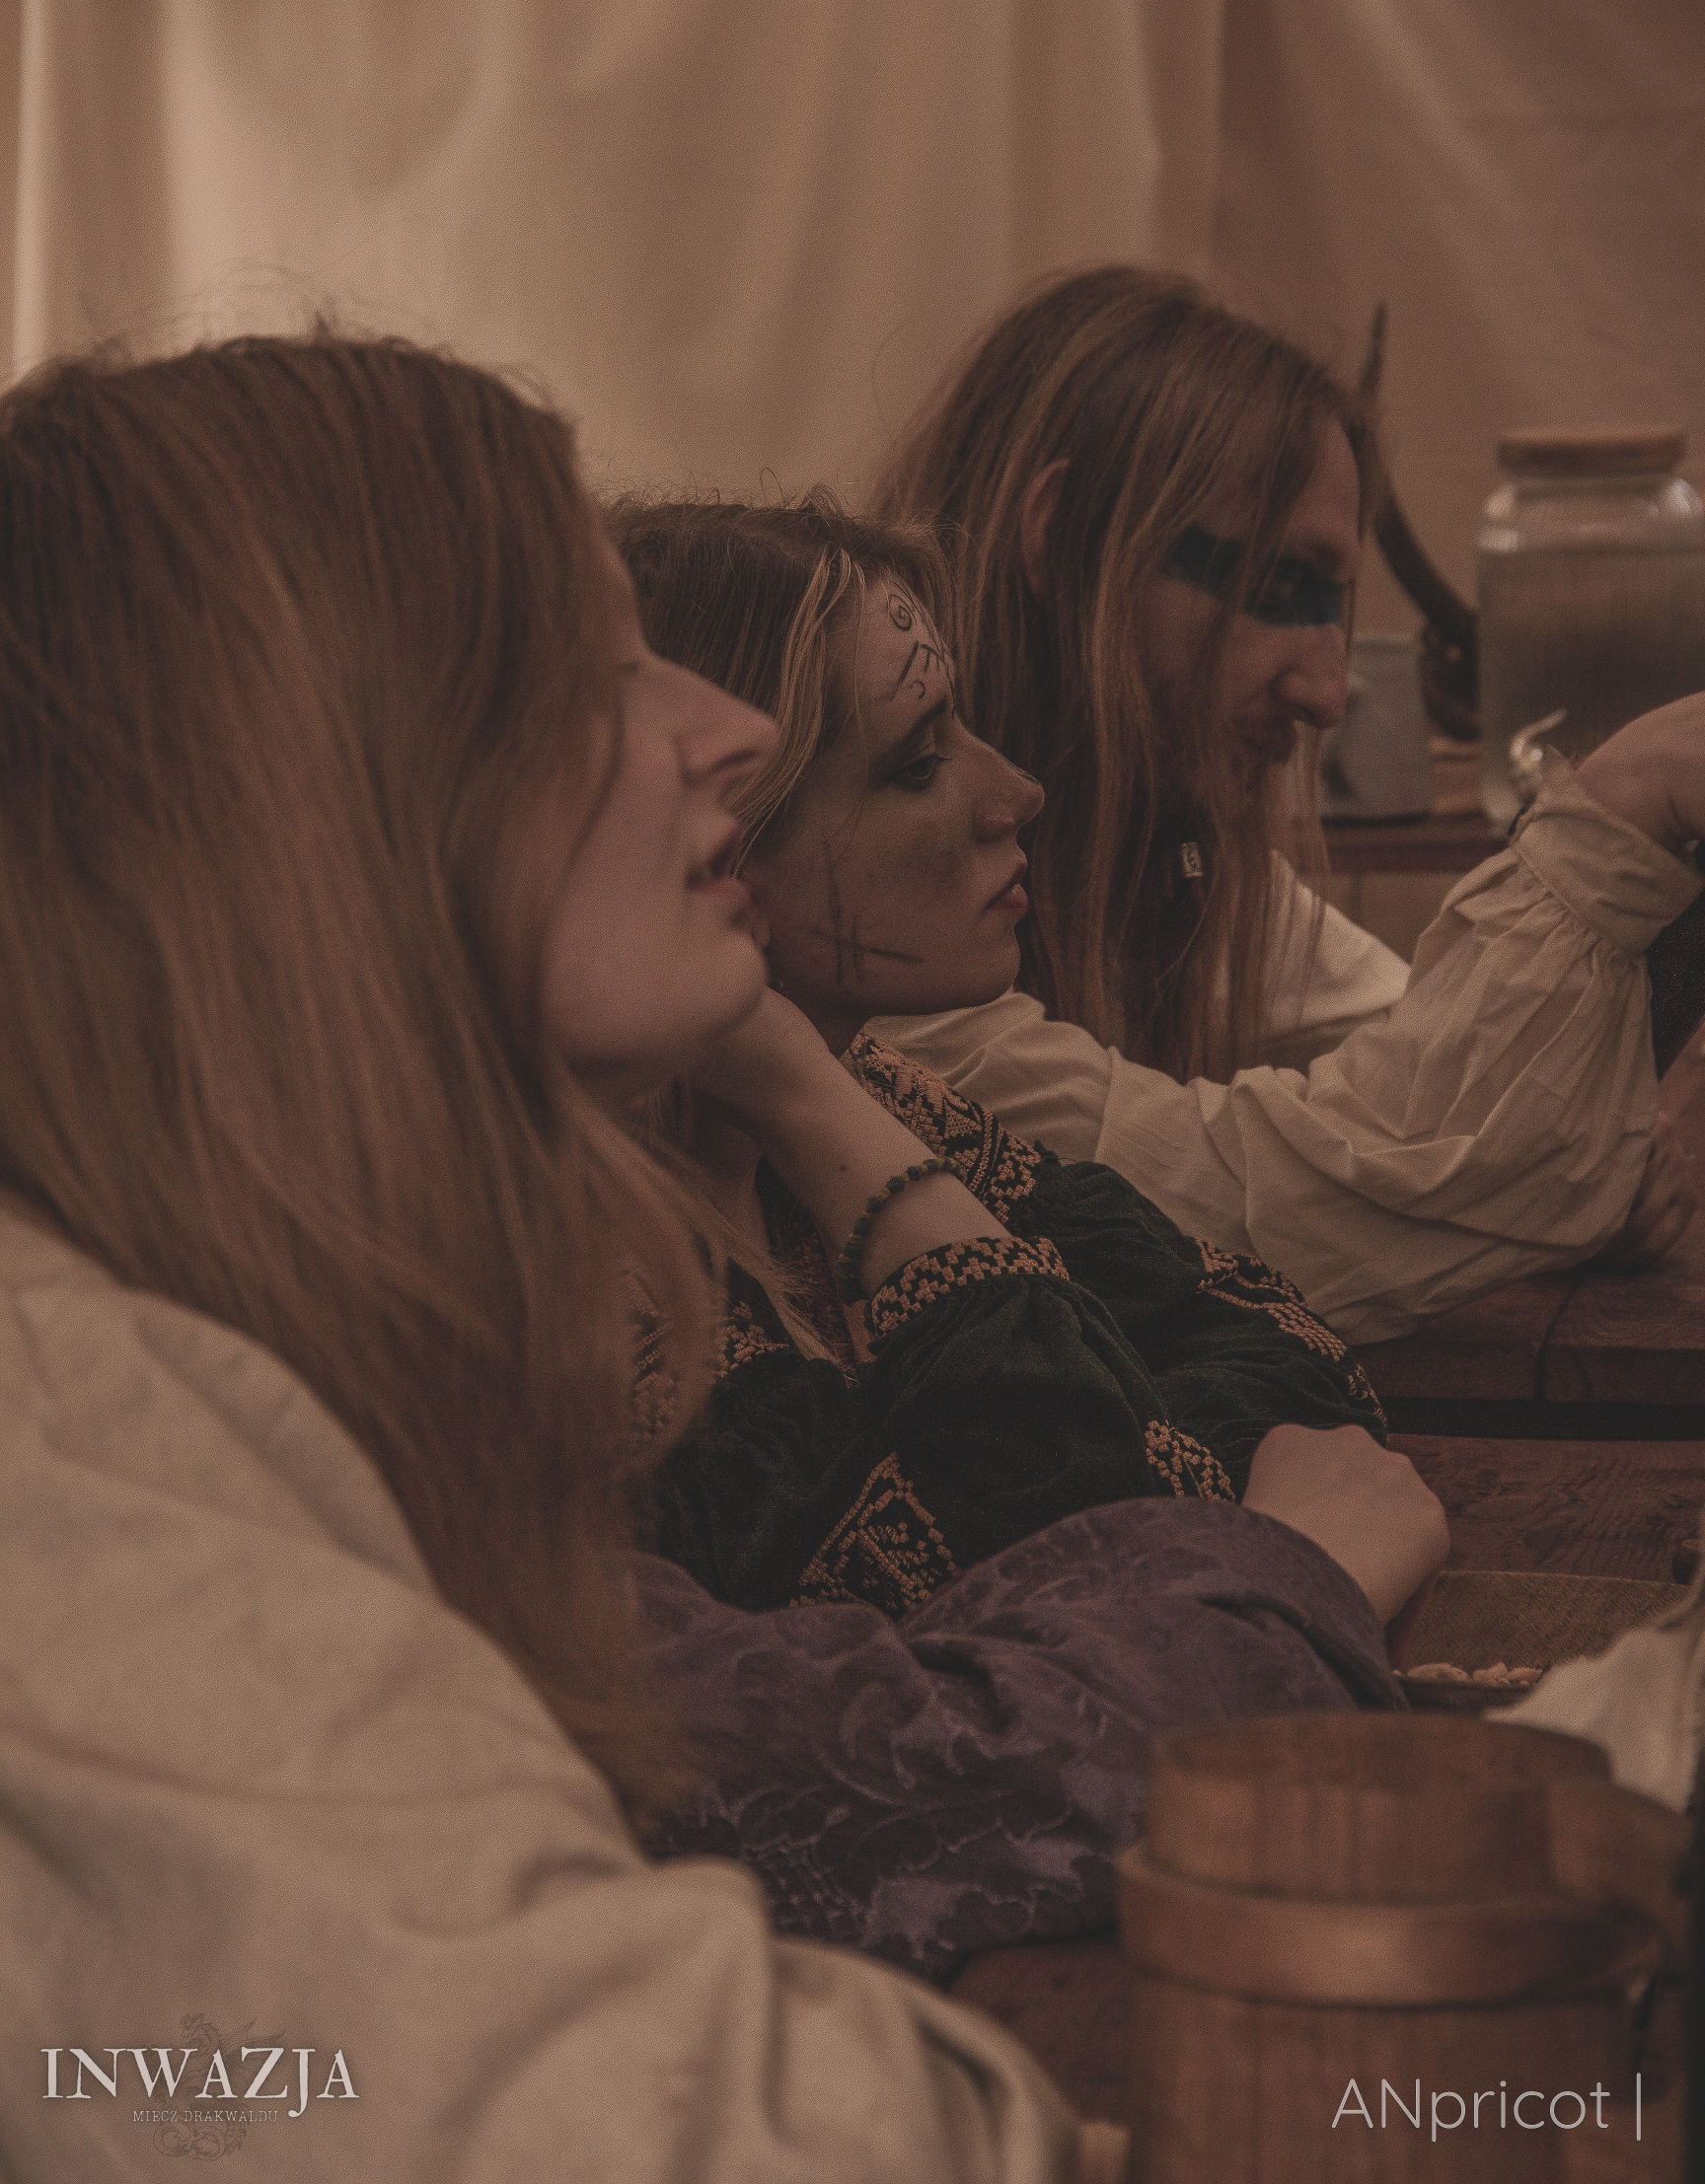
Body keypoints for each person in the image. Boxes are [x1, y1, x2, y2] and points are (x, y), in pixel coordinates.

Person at [0, 333, 1432, 2183]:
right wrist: (1269, 1567)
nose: (731, 737)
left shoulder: (318, 1321)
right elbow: (695, 2085)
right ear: (303, 804)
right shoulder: (78, 1429)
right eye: (584, 672)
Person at [612, 494, 1446, 1627]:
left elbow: (1286, 1352)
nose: (1015, 792)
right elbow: (1069, 1578)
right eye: (917, 762)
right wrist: (1277, 1546)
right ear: (719, 842)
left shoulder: (885, 1095)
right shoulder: (605, 1288)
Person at [867, 263, 1704, 1340]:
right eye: (1276, 585)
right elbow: (1221, 1207)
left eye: (1330, 603)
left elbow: (1442, 1089)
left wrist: (1563, 1156)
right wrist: (1618, 814)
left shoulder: (1174, 858)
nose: (1324, 693)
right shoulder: (864, 891)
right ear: (1064, 532)